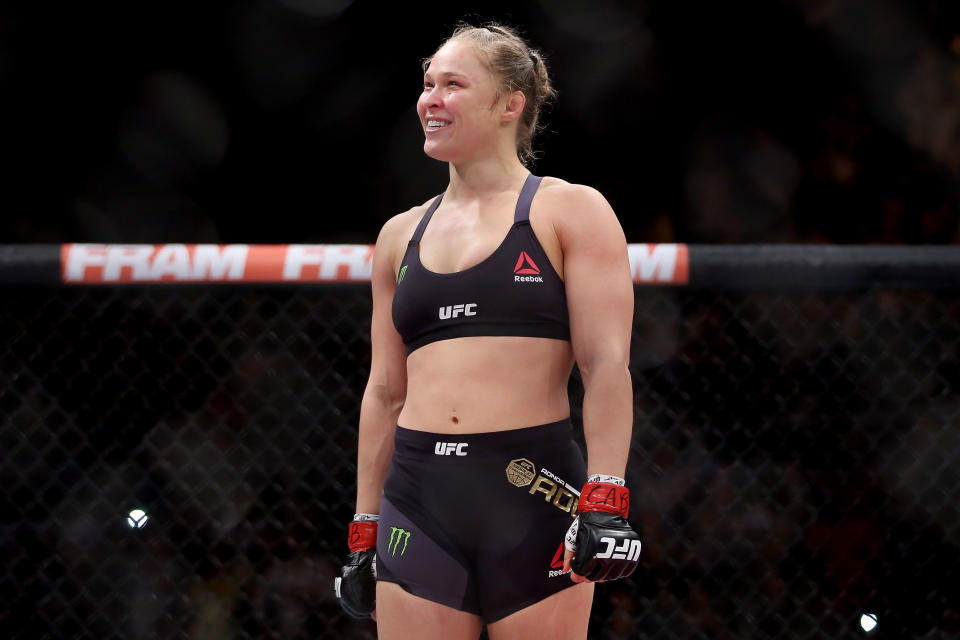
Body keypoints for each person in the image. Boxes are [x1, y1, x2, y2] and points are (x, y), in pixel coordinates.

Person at [334, 21, 641, 639]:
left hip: (532, 486)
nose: (431, 100)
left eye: (452, 84)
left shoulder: (567, 209)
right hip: (419, 495)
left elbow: (605, 365)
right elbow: (384, 391)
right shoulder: (399, 235)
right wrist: (364, 525)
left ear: (510, 104)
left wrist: (606, 494)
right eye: (427, 85)